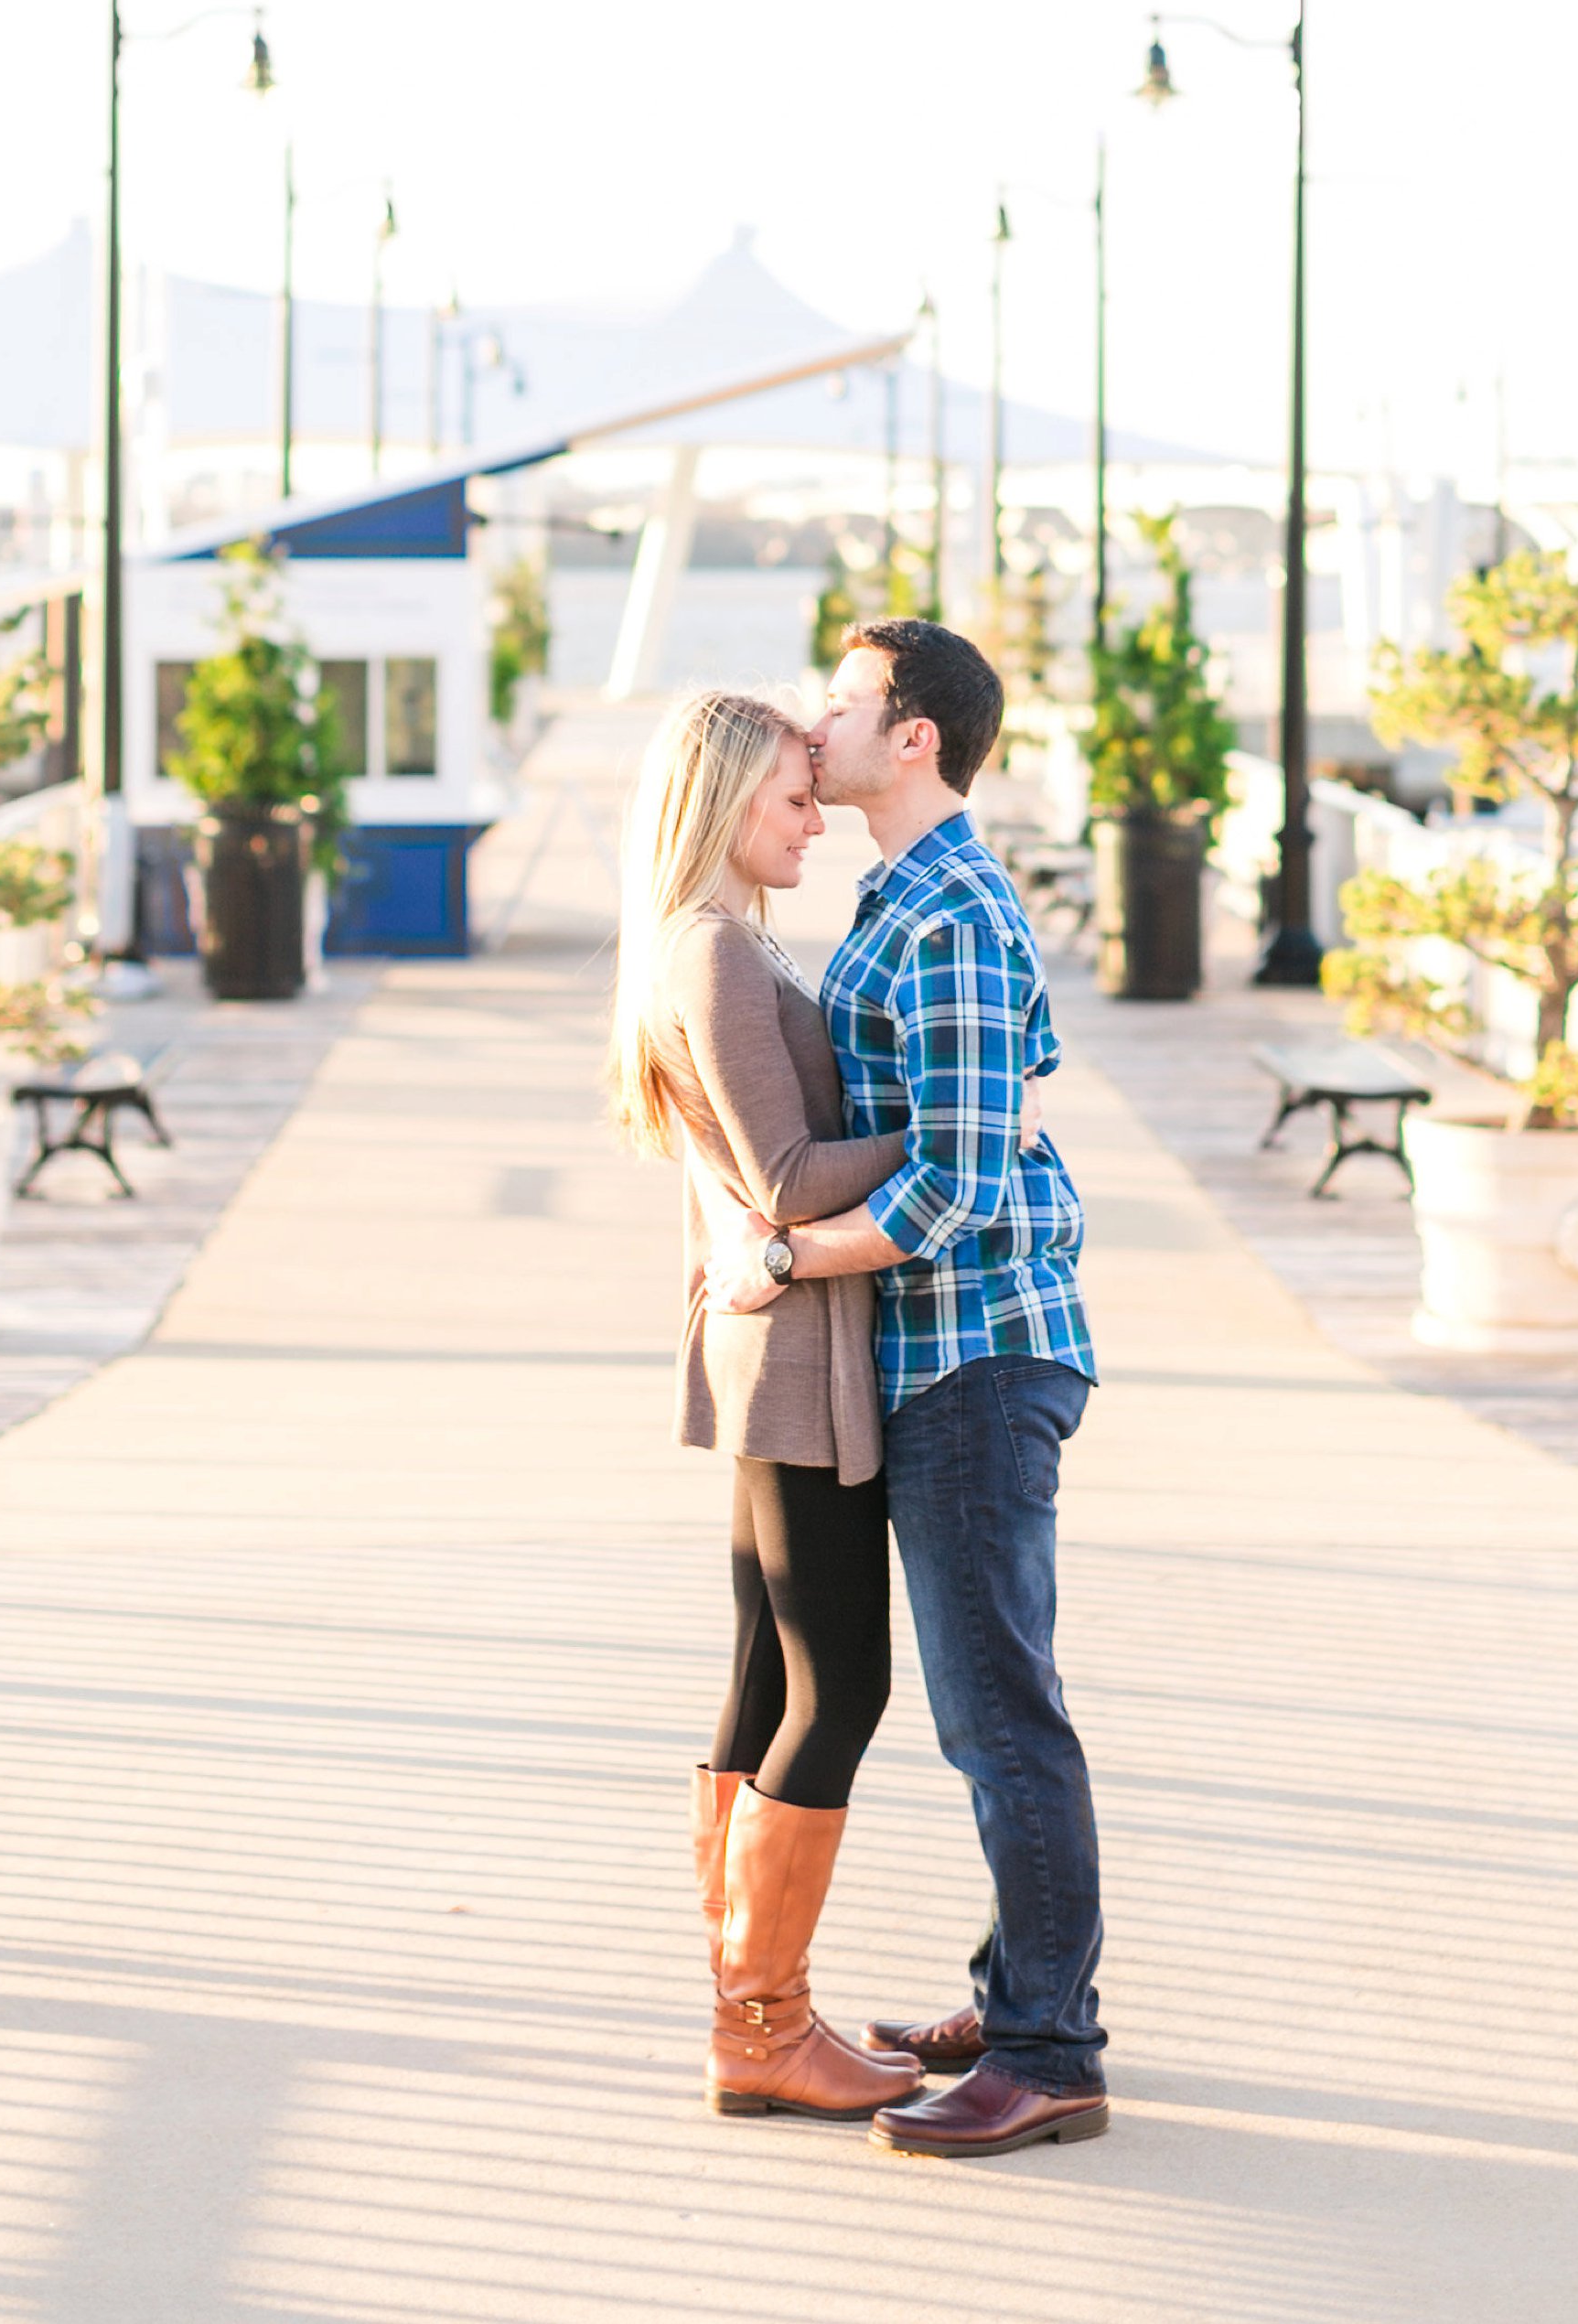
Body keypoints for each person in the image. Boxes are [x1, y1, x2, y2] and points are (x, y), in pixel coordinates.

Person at [704, 618, 1109, 2161]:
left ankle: (1051, 2049)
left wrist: (784, 1260)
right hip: (929, 1346)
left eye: (847, 699)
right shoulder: (905, 892)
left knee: (1000, 1713)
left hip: (977, 1346)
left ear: (915, 733)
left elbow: (954, 1180)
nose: (819, 724)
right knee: (988, 1702)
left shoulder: (949, 916)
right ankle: (1021, 1989)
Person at [606, 687, 923, 2121]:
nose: (816, 822)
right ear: (729, 805)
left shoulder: (713, 947)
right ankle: (762, 2027)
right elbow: (789, 1180)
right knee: (836, 1679)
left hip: (775, 1353)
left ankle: (752, 2011)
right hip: (792, 1364)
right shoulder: (715, 957)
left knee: (763, 1674)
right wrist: (957, 1132)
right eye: (795, 801)